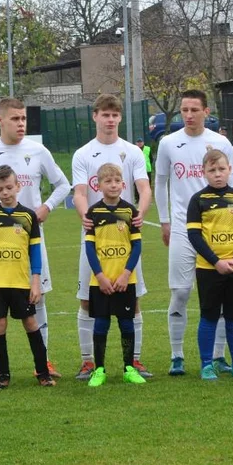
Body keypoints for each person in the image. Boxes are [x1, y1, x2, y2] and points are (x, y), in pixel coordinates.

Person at [0, 97, 70, 382]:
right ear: (0, 120)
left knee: (38, 296)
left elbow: (63, 184)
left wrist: (46, 207)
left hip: (30, 238)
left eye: (23, 118)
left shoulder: (38, 150)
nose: (21, 123)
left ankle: (41, 362)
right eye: (15, 119)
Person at [154, 89, 233, 376]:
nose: (188, 116)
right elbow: (160, 182)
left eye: (194, 110)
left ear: (206, 112)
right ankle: (176, 355)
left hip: (219, 233)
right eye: (184, 110)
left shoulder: (221, 142)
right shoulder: (168, 143)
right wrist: (165, 221)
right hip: (181, 228)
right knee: (180, 291)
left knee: (220, 295)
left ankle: (218, 356)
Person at [71, 94, 152, 380]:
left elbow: (144, 187)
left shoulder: (131, 151)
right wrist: (85, 217)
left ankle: (136, 361)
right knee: (87, 299)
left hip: (125, 238)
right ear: (95, 116)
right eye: (105, 114)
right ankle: (88, 362)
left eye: (114, 115)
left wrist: (140, 213)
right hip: (96, 237)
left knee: (134, 297)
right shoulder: (83, 153)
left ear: (120, 117)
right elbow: (80, 193)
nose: (110, 119)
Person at [0, 165, 54, 388]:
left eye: (9, 187)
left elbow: (35, 253)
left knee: (31, 323)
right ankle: (3, 376)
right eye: (0, 188)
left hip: (21, 282)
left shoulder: (28, 216)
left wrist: (35, 281)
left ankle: (43, 372)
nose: (5, 192)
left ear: (18, 186)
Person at [186, 149, 233, 380]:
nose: (217, 174)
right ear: (204, 172)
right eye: (212, 170)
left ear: (229, 170)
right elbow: (195, 236)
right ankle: (207, 364)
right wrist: (215, 261)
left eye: (222, 169)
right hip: (209, 269)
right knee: (209, 315)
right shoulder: (198, 200)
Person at [83, 163, 147, 387]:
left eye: (116, 181)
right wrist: (100, 276)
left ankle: (129, 368)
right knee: (101, 324)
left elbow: (136, 247)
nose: (113, 185)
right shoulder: (93, 212)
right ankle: (99, 370)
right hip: (100, 281)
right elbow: (90, 248)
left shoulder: (130, 212)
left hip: (124, 280)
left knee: (126, 324)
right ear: (98, 186)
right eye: (107, 181)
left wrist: (125, 274)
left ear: (123, 184)